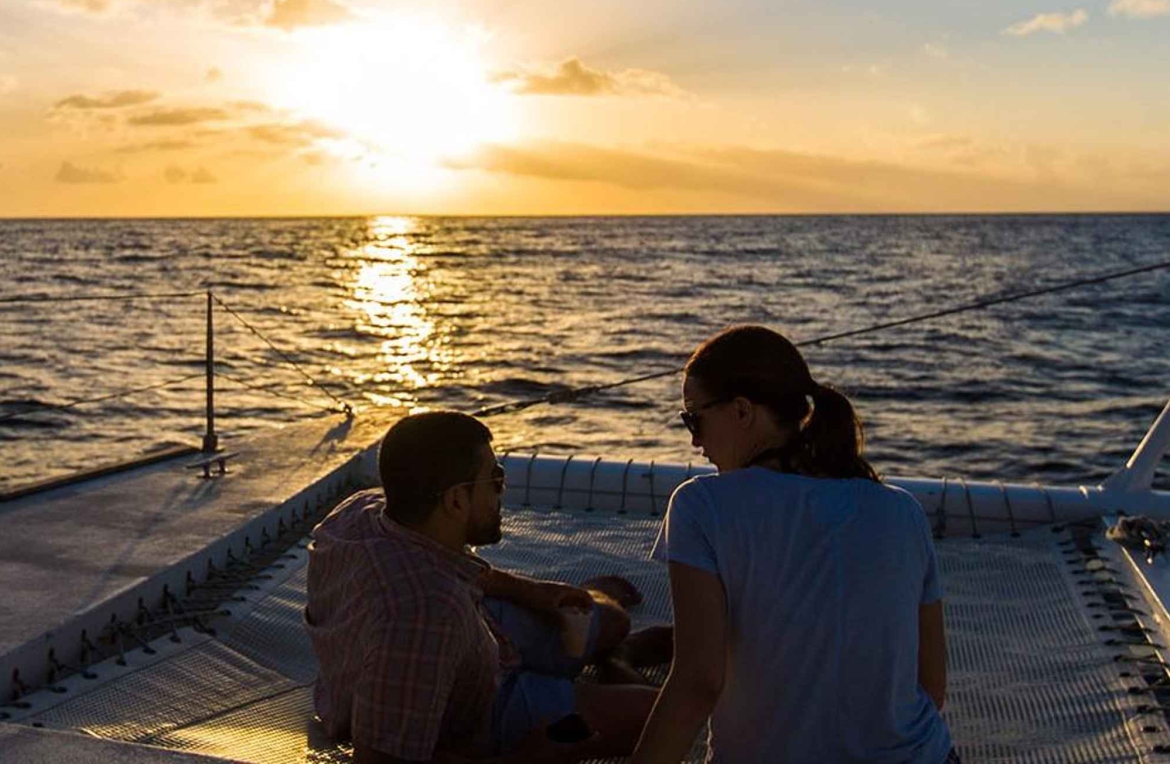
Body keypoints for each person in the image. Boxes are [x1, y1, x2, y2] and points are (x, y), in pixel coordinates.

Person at [630, 325, 955, 764]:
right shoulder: (903, 511)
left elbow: (699, 682)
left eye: (694, 418)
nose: (695, 441)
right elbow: (931, 688)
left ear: (742, 411)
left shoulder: (701, 506)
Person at [305, 410, 660, 763]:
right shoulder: (426, 615)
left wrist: (532, 592)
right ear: (456, 500)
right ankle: (614, 660)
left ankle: (613, 647)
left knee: (613, 621)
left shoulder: (360, 514)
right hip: (478, 711)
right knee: (659, 714)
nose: (501, 493)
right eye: (496, 480)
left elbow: (441, 565)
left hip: (478, 633)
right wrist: (527, 759)